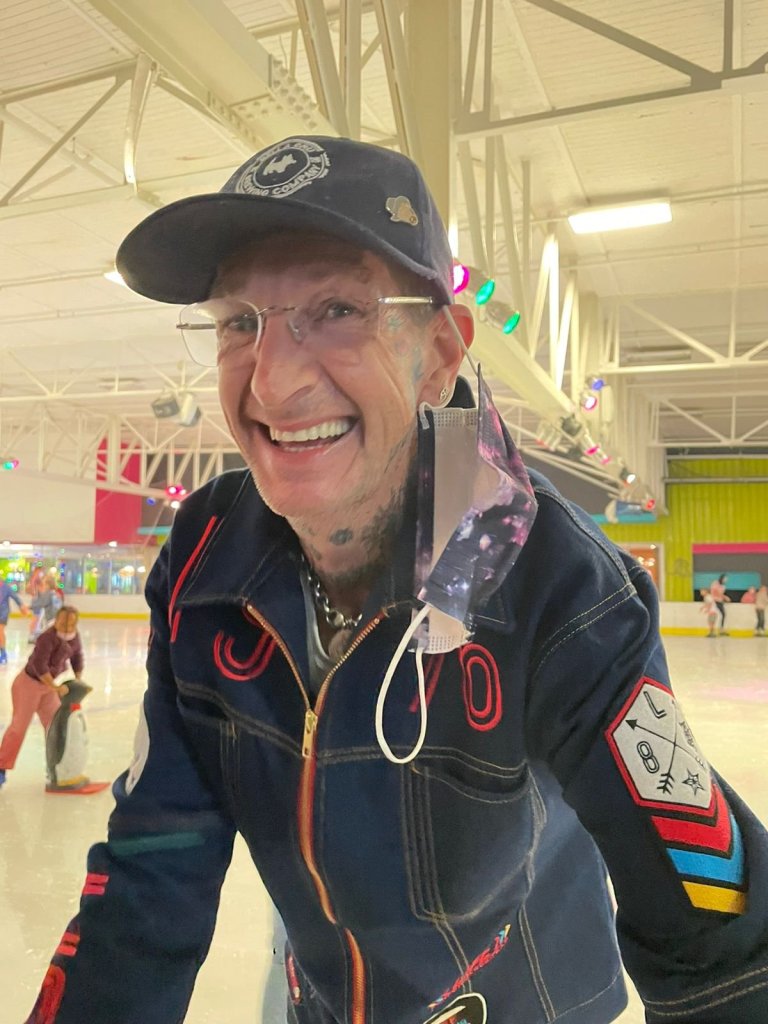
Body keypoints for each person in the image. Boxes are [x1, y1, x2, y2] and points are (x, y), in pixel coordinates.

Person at [25, 136, 768, 1024]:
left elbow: (722, 939)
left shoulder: (561, 584)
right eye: (239, 322)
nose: (273, 382)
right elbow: (150, 878)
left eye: (338, 309)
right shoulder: (202, 556)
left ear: (441, 352)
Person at [0, 605, 83, 789]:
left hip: (48, 688)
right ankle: (1, 767)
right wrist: (55, 686)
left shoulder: (74, 637)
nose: (66, 626)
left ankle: (55, 768)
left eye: (70, 623)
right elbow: (40, 666)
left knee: (54, 728)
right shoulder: (47, 637)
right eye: (62, 622)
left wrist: (77, 679)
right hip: (28, 684)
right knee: (18, 727)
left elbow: (77, 657)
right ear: (57, 620)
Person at [0, 574, 29, 665]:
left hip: (2, 613)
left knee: (0, 631)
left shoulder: (5, 587)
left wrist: (21, 606)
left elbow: (15, 597)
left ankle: (3, 653)